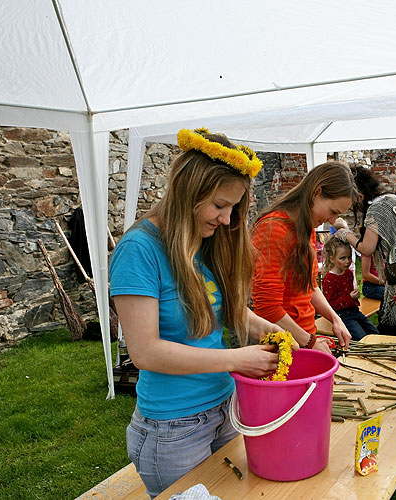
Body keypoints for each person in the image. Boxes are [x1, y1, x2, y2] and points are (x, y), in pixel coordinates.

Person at [110, 128, 281, 498]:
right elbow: (145, 352)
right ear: (189, 190)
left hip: (225, 409)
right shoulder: (139, 250)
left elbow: (216, 312)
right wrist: (237, 359)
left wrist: (266, 328)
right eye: (220, 205)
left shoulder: (202, 241)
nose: (226, 219)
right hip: (173, 428)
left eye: (233, 208)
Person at [251, 161, 356, 353]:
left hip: (302, 337)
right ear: (316, 192)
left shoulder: (306, 226)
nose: (332, 221)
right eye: (333, 212)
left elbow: (309, 286)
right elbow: (268, 308)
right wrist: (309, 342)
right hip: (280, 344)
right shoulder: (273, 229)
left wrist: (335, 318)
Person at [335, 166, 396, 336]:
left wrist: (346, 235)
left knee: (395, 331)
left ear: (358, 195)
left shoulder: (377, 208)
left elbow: (367, 248)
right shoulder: (393, 198)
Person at [321, 236, 380, 340]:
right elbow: (331, 305)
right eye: (342, 258)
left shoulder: (348, 273)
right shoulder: (329, 279)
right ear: (332, 259)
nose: (347, 261)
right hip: (341, 316)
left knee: (374, 333)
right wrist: (350, 298)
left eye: (349, 257)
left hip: (354, 311)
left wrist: (354, 296)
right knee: (361, 338)